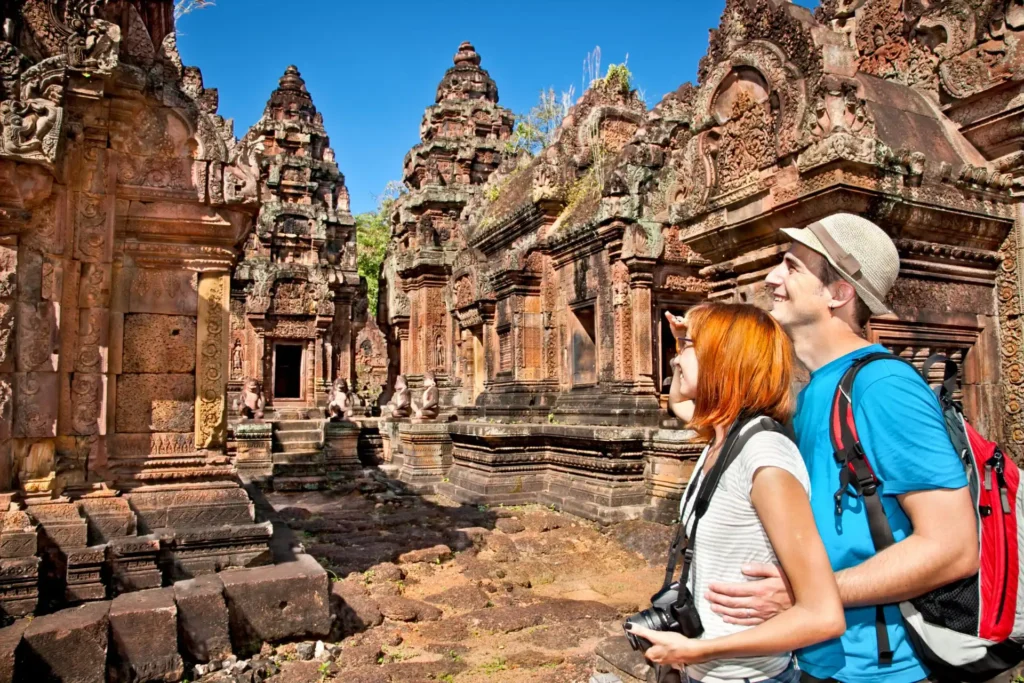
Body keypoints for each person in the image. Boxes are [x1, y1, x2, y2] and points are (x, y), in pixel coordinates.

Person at [703, 213, 979, 683]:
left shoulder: (883, 386)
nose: (771, 278)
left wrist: (812, 593)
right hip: (814, 657)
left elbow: (953, 546)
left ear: (839, 293)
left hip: (884, 668)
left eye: (791, 267)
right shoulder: (808, 391)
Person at [628, 302, 845, 682]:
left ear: (724, 360)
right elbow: (677, 400)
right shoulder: (723, 436)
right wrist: (686, 341)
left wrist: (698, 650)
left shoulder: (764, 455)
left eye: (689, 348)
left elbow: (824, 615)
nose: (675, 361)